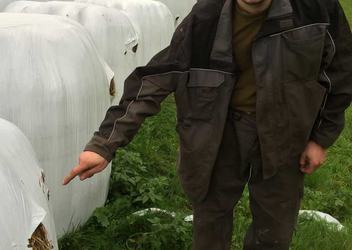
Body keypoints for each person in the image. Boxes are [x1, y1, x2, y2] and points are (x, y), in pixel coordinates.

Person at [63, 0, 352, 249]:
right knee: (211, 221)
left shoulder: (314, 9)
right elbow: (155, 78)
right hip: (219, 132)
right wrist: (104, 145)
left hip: (285, 133)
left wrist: (320, 138)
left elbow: (341, 71)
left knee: (275, 228)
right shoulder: (206, 18)